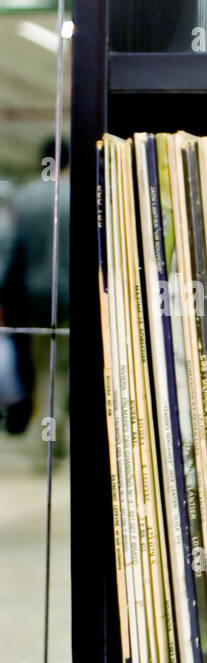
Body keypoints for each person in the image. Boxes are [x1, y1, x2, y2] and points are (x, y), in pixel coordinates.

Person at [0, 136, 70, 461]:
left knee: (42, 365)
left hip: (31, 298)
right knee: (65, 367)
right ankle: (58, 432)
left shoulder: (23, 200)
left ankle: (45, 434)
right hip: (72, 296)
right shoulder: (78, 195)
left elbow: (11, 251)